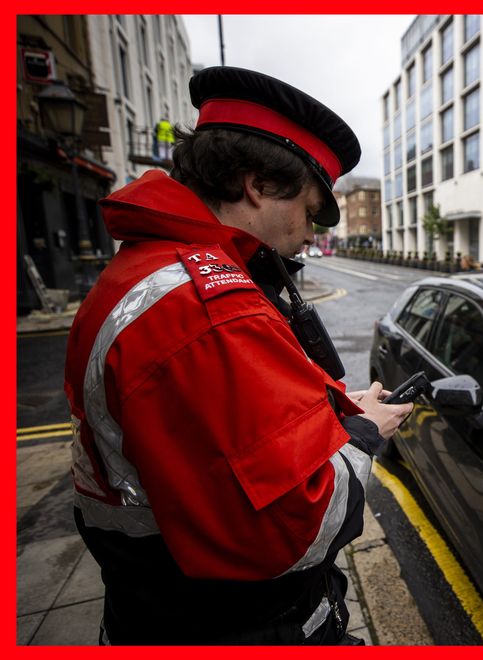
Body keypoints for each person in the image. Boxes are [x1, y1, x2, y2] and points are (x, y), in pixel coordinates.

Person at [63, 66, 413, 645]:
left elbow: (219, 438)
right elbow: (292, 530)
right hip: (233, 625)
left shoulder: (151, 270)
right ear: (255, 184)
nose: (310, 234)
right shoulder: (207, 314)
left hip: (155, 612)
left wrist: (328, 412)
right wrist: (363, 433)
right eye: (309, 208)